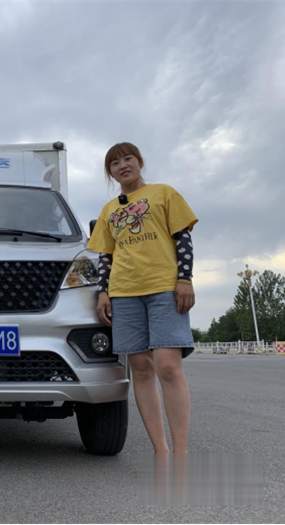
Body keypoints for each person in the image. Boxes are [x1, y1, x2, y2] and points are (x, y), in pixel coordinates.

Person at [86, 142, 198, 454]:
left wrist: (185, 279)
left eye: (128, 158)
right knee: (141, 367)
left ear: (139, 162)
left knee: (168, 366)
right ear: (110, 172)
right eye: (114, 163)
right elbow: (105, 256)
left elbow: (183, 239)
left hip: (163, 287)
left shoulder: (163, 193)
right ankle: (161, 451)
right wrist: (103, 292)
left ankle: (181, 452)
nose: (122, 165)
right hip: (124, 292)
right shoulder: (109, 210)